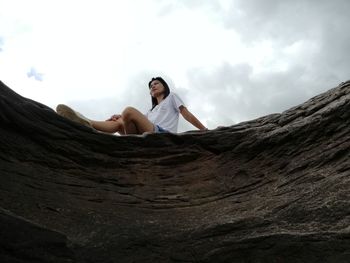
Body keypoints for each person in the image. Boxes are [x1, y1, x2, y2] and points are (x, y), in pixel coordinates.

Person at [56, 77, 208, 135]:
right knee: (119, 120)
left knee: (128, 111)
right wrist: (121, 119)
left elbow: (186, 114)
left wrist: (204, 130)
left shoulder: (172, 97)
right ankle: (86, 122)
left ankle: (90, 123)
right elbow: (139, 122)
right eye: (151, 86)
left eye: (156, 84)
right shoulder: (150, 111)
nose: (153, 87)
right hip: (146, 135)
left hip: (162, 135)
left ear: (164, 86)